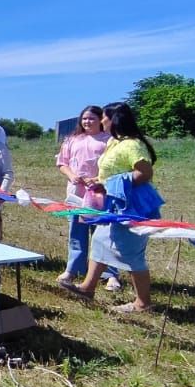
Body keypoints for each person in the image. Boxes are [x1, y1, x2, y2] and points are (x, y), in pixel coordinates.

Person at [60, 102, 163, 314]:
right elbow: (111, 172)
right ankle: (88, 288)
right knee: (100, 241)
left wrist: (113, 184)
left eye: (104, 117)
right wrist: (100, 181)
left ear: (113, 120)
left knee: (131, 251)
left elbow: (144, 173)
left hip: (130, 205)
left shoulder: (132, 145)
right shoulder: (115, 143)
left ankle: (143, 303)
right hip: (113, 204)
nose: (102, 121)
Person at [56, 106, 120, 290]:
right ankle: (73, 269)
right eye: (84, 118)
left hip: (101, 194)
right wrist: (71, 175)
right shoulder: (72, 140)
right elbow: (62, 162)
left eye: (92, 118)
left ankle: (111, 275)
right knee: (76, 233)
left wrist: (98, 180)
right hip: (76, 194)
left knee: (104, 235)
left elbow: (114, 168)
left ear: (101, 120)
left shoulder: (109, 140)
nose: (87, 122)